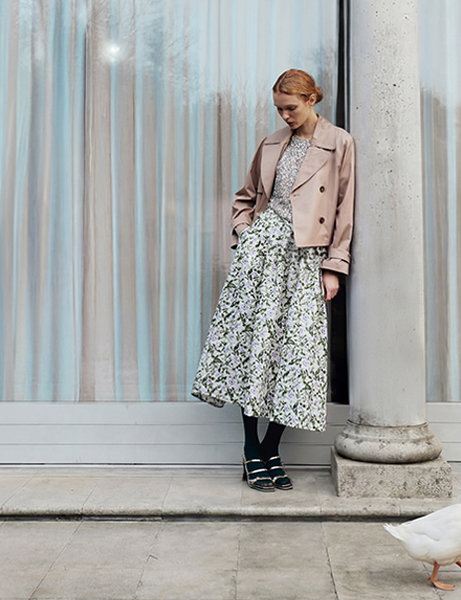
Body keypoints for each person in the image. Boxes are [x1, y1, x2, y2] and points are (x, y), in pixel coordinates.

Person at [191, 69, 355, 492]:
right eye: (279, 109)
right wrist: (246, 234)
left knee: (295, 355)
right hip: (260, 256)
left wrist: (334, 266)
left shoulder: (339, 143)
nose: (285, 116)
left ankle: (270, 449)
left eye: (291, 108)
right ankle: (252, 450)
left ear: (312, 99)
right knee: (254, 348)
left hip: (305, 258)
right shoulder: (270, 144)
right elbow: (245, 197)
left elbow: (344, 208)